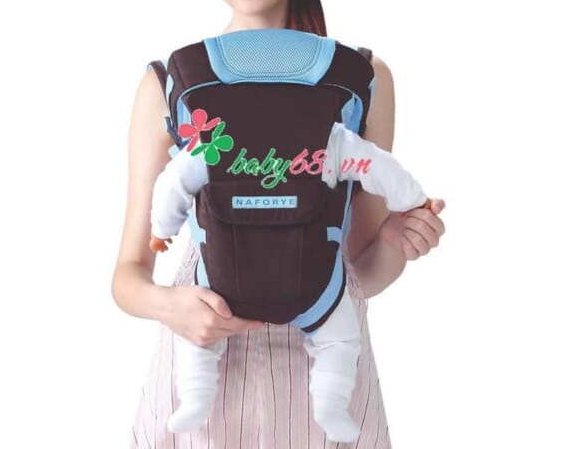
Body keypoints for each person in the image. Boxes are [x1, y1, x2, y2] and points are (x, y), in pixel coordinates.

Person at [111, 0, 447, 448]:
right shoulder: (170, 84)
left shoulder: (361, 79)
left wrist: (397, 241)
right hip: (204, 374)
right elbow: (128, 275)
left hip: (328, 379)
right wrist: (172, 307)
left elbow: (361, 273)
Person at [149, 119, 431, 442]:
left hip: (223, 280)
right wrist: (413, 200)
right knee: (340, 338)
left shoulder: (214, 140)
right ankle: (331, 403)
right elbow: (377, 167)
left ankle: (195, 397)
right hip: (315, 281)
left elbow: (174, 182)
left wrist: (161, 229)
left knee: (197, 339)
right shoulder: (328, 133)